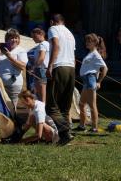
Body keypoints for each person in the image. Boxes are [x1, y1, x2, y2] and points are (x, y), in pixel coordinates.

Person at [46, 14, 75, 145]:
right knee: (64, 105)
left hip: (59, 66)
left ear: (53, 21)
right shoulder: (70, 33)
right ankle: (64, 137)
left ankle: (65, 130)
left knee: (51, 106)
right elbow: (73, 55)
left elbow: (56, 46)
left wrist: (50, 65)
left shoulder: (53, 29)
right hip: (71, 68)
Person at [73, 34, 108, 132]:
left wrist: (99, 81)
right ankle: (82, 125)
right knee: (81, 104)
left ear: (95, 43)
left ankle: (94, 127)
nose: (87, 43)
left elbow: (105, 69)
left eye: (89, 41)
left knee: (92, 105)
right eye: (86, 41)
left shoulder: (96, 54)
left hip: (90, 80)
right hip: (86, 81)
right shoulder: (90, 53)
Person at [0, 29, 28, 116]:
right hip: (0, 83)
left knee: (13, 106)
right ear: (7, 39)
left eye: (16, 38)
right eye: (11, 38)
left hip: (14, 83)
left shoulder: (21, 50)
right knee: (0, 104)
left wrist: (9, 56)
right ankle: (4, 124)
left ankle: (15, 126)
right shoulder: (2, 50)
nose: (14, 40)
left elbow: (22, 66)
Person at [31, 28, 49, 102]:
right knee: (42, 92)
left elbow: (41, 57)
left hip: (41, 69)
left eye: (34, 37)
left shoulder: (42, 44)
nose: (33, 39)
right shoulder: (47, 44)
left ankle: (42, 108)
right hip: (44, 69)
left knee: (41, 94)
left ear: (41, 34)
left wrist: (33, 67)